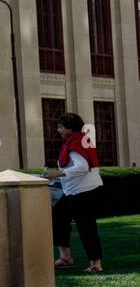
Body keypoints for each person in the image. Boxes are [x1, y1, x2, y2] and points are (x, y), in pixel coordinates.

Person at [45, 111, 104, 273]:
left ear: (70, 129)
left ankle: (96, 264)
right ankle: (65, 258)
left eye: (60, 127)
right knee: (58, 217)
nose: (58, 130)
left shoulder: (75, 142)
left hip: (84, 192)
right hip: (75, 191)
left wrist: (57, 173)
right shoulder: (79, 140)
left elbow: (82, 167)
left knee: (86, 226)